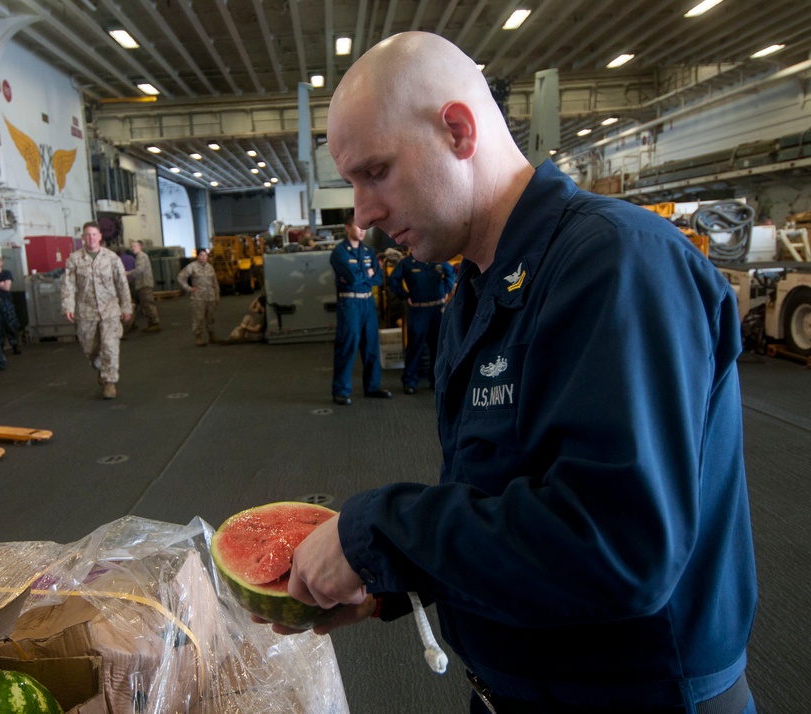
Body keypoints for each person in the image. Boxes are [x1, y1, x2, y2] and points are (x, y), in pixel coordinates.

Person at [279, 32, 757, 714]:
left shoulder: (615, 264)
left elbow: (616, 547)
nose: (364, 214)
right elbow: (508, 507)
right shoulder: (478, 287)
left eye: (376, 171)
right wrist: (389, 577)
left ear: (458, 129)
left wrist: (379, 532)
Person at [62, 221, 134, 399]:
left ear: (100, 236)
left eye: (94, 234)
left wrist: (126, 306)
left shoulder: (111, 258)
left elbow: (122, 284)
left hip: (110, 310)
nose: (91, 238)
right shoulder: (74, 259)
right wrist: (68, 306)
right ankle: (102, 368)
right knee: (90, 347)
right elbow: (68, 285)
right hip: (86, 311)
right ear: (83, 238)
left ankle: (109, 382)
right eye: (88, 234)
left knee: (110, 346)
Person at [329, 212, 392, 405]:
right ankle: (341, 391)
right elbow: (357, 278)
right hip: (350, 304)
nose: (363, 231)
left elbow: (378, 279)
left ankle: (372, 387)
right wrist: (367, 273)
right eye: (358, 226)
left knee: (372, 346)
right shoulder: (339, 253)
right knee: (348, 345)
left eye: (365, 228)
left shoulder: (368, 252)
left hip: (367, 303)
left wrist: (360, 275)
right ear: (348, 228)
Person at [387, 252, 456, 394]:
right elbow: (393, 280)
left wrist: (447, 290)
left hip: (437, 310)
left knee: (438, 348)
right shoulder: (406, 263)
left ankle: (436, 380)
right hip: (419, 310)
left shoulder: (438, 258)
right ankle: (409, 381)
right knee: (415, 347)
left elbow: (450, 273)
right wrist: (404, 296)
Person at [177, 248, 220, 346]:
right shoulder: (192, 267)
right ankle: (198, 336)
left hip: (210, 297)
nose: (204, 257)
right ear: (197, 256)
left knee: (210, 317)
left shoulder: (210, 267)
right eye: (201, 255)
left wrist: (217, 295)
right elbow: (180, 278)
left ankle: (211, 335)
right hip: (198, 298)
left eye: (205, 255)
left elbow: (215, 283)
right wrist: (189, 288)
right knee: (198, 318)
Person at [127, 240, 161, 332]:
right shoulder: (140, 256)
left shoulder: (141, 256)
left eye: (134, 246)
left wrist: (127, 273)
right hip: (143, 283)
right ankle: (151, 323)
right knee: (145, 304)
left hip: (144, 284)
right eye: (132, 246)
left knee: (148, 304)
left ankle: (155, 322)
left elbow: (139, 269)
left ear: (140, 246)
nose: (132, 248)